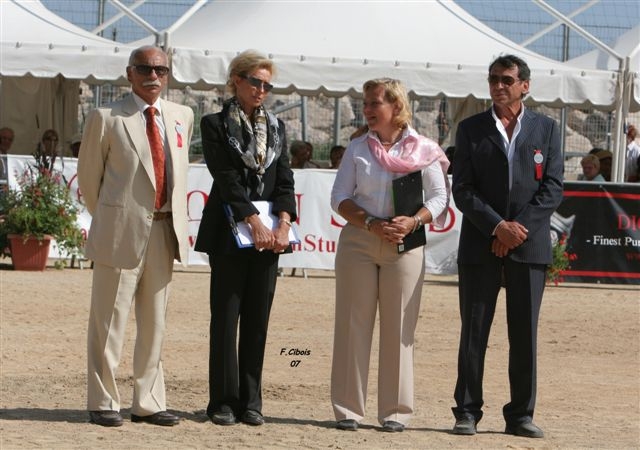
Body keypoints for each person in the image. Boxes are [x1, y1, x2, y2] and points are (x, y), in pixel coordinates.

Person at [78, 45, 194, 428]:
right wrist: (115, 218)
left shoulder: (182, 116)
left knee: (155, 323)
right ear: (129, 73)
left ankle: (148, 402)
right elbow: (89, 181)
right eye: (144, 68)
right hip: (119, 234)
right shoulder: (106, 117)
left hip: (165, 231)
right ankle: (103, 400)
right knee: (108, 323)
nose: (153, 76)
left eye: (161, 69)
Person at [451, 54, 563, 439]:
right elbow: (462, 189)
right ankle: (467, 412)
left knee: (524, 335)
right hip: (480, 245)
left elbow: (553, 188)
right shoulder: (470, 129)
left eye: (507, 80)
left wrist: (517, 231)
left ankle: (520, 416)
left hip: (528, 248)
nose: (498, 85)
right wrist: (497, 228)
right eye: (493, 79)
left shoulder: (547, 129)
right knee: (474, 333)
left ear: (525, 86)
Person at [330, 78, 450, 433]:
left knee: (400, 328)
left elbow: (439, 198)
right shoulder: (357, 148)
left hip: (405, 243)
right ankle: (348, 410)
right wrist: (371, 223)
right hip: (359, 241)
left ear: (396, 106)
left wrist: (414, 221)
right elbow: (339, 197)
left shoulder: (425, 149)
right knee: (352, 324)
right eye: (365, 103)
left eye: (374, 103)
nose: (366, 109)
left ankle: (395, 412)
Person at [194, 50, 296, 427]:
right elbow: (225, 177)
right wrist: (252, 220)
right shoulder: (214, 124)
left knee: (258, 320)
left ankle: (252, 401)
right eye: (255, 82)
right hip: (228, 232)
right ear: (236, 80)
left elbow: (285, 180)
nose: (261, 90)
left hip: (269, 238)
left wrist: (283, 223)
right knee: (226, 318)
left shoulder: (277, 128)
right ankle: (222, 400)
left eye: (267, 85)